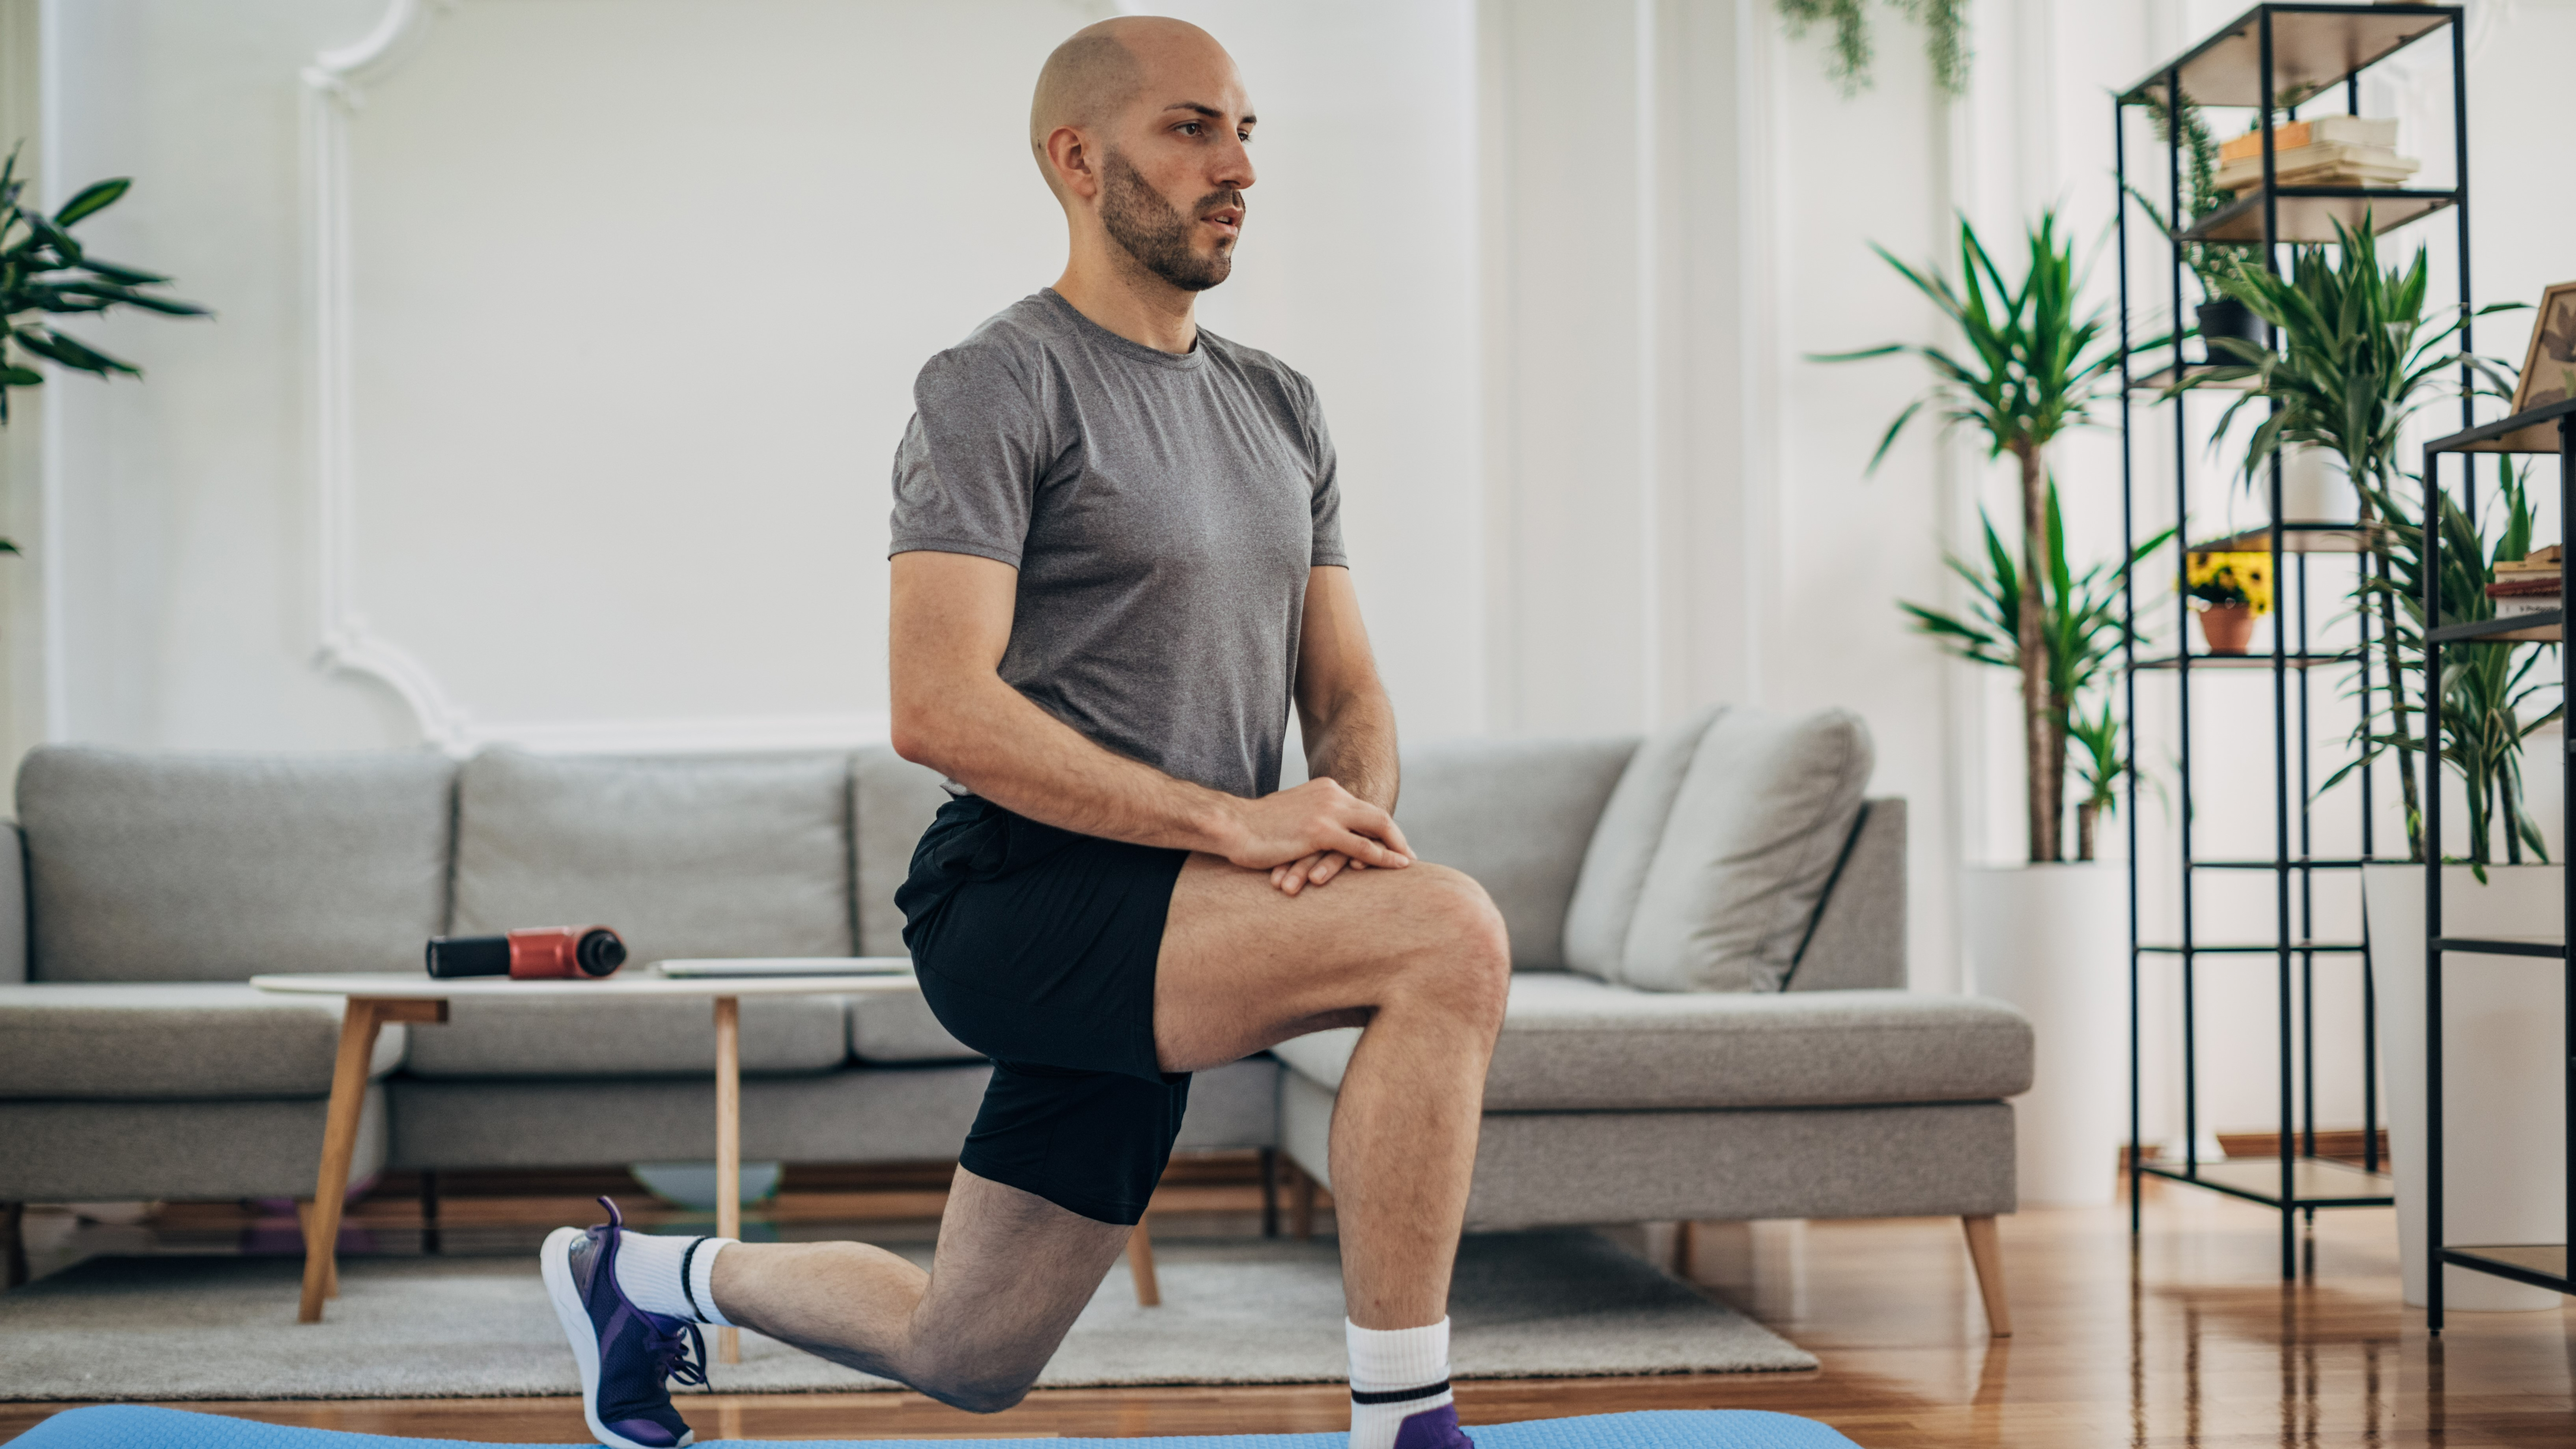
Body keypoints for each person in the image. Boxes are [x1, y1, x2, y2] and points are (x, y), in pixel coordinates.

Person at [540, 18, 1508, 1449]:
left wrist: (1346, 821)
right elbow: (938, 707)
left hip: (1190, 908)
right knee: (1449, 937)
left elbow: (1347, 690)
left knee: (969, 1349)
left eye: (1245, 132)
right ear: (1077, 158)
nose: (1238, 167)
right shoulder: (997, 381)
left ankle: (635, 1278)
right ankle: (1406, 1424)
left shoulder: (1279, 404)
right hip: (1022, 897)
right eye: (1192, 129)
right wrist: (1241, 823)